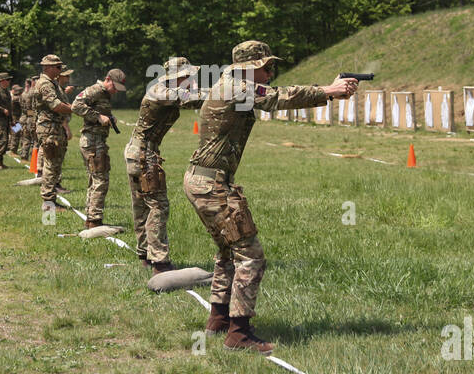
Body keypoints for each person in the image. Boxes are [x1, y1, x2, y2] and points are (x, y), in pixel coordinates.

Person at [185, 41, 357, 353]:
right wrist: (329, 91)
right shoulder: (236, 87)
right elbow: (280, 97)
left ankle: (219, 319)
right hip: (211, 185)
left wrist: (328, 89)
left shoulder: (231, 85)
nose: (270, 72)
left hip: (205, 181)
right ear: (248, 67)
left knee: (228, 252)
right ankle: (239, 335)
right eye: (266, 67)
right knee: (250, 255)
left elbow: (278, 93)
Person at [126, 57, 203, 275]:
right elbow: (187, 98)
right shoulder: (159, 91)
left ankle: (145, 254)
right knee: (158, 206)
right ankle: (159, 262)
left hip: (140, 153)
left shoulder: (167, 91)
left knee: (142, 206)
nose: (193, 80)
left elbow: (192, 99)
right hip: (144, 155)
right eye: (189, 76)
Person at [71, 68, 127, 227]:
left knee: (95, 178)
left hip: (96, 139)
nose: (116, 91)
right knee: (101, 179)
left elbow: (98, 110)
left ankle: (91, 219)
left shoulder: (105, 94)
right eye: (114, 87)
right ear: (107, 79)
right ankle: (95, 220)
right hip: (92, 141)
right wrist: (98, 117)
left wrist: (108, 117)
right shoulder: (96, 90)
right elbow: (76, 105)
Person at [33, 55, 73, 211]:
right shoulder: (45, 84)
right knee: (51, 164)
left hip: (55, 127)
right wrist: (75, 108)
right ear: (47, 67)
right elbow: (56, 105)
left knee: (55, 163)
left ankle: (51, 200)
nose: (60, 70)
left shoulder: (53, 83)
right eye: (57, 67)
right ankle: (49, 203)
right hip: (49, 128)